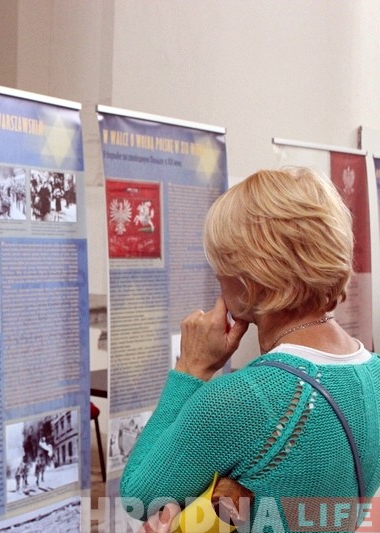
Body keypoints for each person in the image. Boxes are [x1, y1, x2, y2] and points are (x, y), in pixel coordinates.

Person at [120, 167, 380, 533]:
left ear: (250, 279)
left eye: (221, 266)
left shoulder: (244, 398)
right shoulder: (374, 373)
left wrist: (190, 368)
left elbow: (139, 495)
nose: (216, 277)